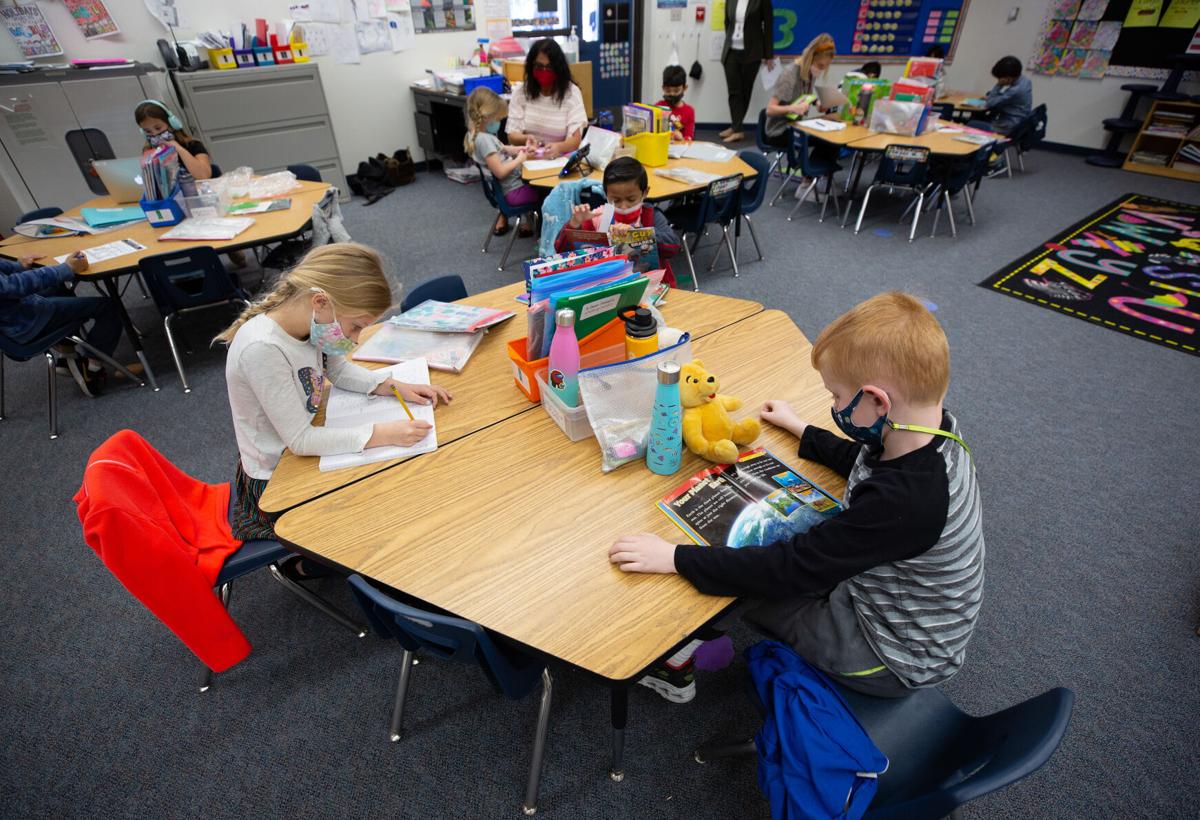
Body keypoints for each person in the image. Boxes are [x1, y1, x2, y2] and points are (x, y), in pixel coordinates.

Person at [609, 292, 984, 703]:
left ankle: (677, 659)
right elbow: (864, 462)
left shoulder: (906, 502)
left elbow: (789, 568)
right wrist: (802, 429)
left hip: (891, 655)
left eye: (838, 396)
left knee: (747, 586)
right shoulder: (929, 431)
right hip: (896, 603)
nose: (835, 406)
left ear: (878, 401)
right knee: (771, 555)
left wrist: (674, 558)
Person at [215, 243, 452, 548]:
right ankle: (307, 563)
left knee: (391, 493)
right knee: (379, 519)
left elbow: (337, 371)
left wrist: (392, 385)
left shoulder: (312, 322)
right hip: (276, 479)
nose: (354, 340)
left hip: (302, 451)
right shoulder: (262, 349)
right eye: (355, 327)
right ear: (320, 302)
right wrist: (383, 433)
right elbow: (300, 441)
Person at [0, 251, 120, 397]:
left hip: (13, 316)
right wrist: (66, 268)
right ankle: (92, 369)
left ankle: (67, 354)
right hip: (23, 323)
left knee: (57, 286)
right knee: (109, 307)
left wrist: (18, 266)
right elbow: (13, 286)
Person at [555, 156, 680, 285]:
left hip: (651, 286)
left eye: (631, 199)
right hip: (608, 287)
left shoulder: (650, 215)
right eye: (616, 200)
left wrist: (637, 234)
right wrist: (574, 224)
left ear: (645, 193)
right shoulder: (596, 217)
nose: (623, 206)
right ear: (605, 193)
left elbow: (674, 246)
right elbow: (562, 252)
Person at [464, 87, 534, 237]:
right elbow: (500, 172)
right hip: (513, 191)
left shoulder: (476, 134)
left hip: (504, 190)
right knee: (545, 191)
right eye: (497, 118)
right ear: (486, 117)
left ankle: (529, 222)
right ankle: (538, 229)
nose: (499, 122)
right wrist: (520, 159)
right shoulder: (485, 140)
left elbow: (501, 149)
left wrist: (518, 149)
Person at [505, 39, 588, 161]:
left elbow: (575, 140)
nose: (544, 71)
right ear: (531, 67)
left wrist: (559, 147)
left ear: (558, 68)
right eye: (539, 66)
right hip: (526, 160)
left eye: (549, 67)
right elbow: (511, 135)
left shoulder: (572, 93)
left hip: (558, 161)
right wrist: (527, 138)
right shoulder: (521, 92)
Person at [762, 33, 837, 152]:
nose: (821, 70)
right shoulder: (790, 74)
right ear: (810, 58)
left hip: (795, 125)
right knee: (826, 139)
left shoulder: (810, 72)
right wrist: (793, 108)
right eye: (820, 65)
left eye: (825, 66)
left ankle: (818, 168)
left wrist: (816, 102)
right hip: (778, 131)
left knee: (832, 136)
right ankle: (807, 168)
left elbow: (803, 95)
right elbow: (770, 110)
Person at [720, 0, 775, 143]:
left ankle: (736, 128)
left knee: (745, 90)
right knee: (734, 92)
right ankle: (736, 127)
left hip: (752, 52)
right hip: (731, 51)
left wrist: (768, 54)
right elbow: (727, 22)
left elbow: (768, 26)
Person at [134, 100, 212, 180]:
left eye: (158, 128)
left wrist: (178, 148)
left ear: (172, 124)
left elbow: (204, 176)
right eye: (148, 131)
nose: (154, 134)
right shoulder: (149, 152)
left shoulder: (193, 145)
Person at [982, 55, 1032, 135]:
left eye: (999, 78)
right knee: (982, 118)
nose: (999, 80)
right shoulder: (1025, 80)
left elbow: (989, 103)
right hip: (1019, 121)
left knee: (975, 125)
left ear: (1008, 78)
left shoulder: (1015, 90)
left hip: (1009, 125)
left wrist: (999, 85)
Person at [657, 65, 696, 142]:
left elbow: (689, 137)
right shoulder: (658, 106)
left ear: (685, 88)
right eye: (668, 91)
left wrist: (681, 138)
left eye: (676, 91)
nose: (672, 94)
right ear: (663, 88)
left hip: (679, 148)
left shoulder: (689, 111)